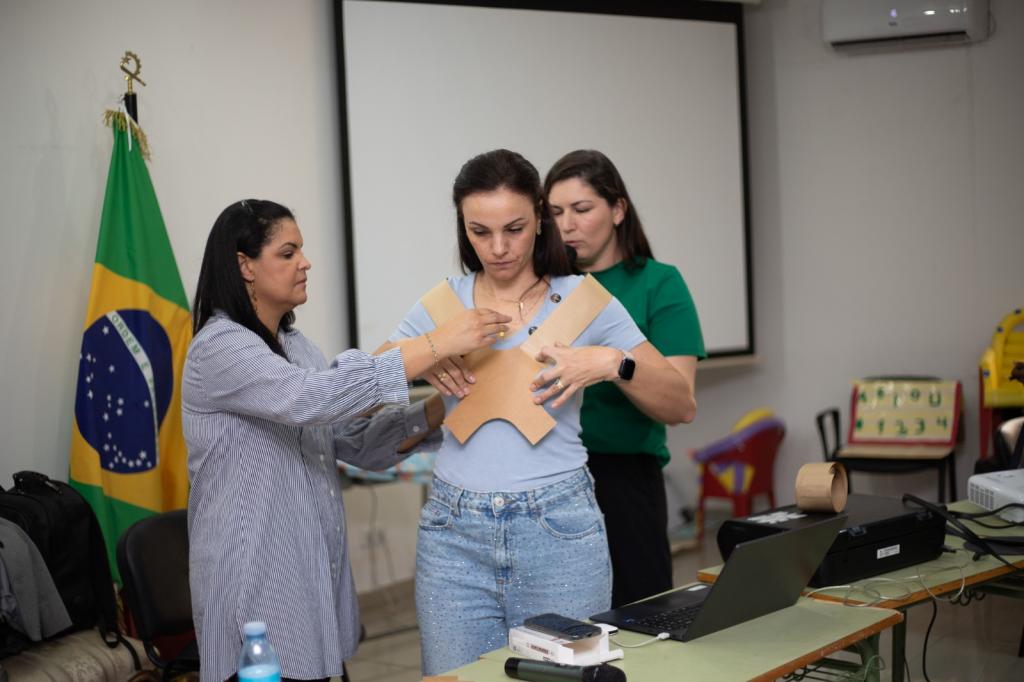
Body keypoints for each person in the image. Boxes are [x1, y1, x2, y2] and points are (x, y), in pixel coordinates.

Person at [386, 150, 694, 674]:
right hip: (453, 535)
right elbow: (359, 388)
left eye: (515, 228)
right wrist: (433, 346)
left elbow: (679, 402)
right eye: (480, 232)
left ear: (540, 221)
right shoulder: (443, 304)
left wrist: (612, 362)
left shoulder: (585, 301)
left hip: (558, 530)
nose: (499, 248)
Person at [182, 199, 510, 682]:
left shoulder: (297, 348)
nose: (305, 263)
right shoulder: (219, 347)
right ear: (244, 265)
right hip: (252, 590)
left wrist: (444, 408)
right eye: (288, 252)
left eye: (302, 251)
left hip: (309, 581)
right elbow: (310, 399)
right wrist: (435, 343)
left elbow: (351, 443)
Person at [544, 150, 704, 608]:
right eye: (554, 213)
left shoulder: (659, 284)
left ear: (617, 209)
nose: (566, 225)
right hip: (550, 481)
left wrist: (615, 364)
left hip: (625, 485)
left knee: (639, 626)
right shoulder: (543, 287)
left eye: (581, 209)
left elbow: (681, 405)